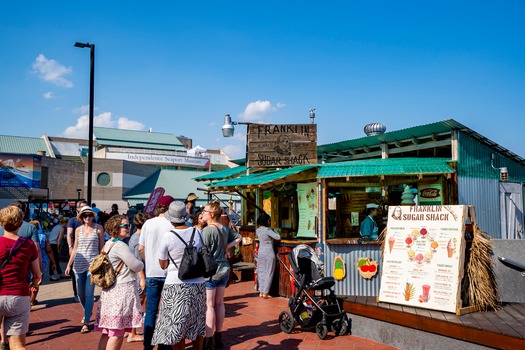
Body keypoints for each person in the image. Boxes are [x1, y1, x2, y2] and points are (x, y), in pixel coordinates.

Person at [151, 201, 206, 349]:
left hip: (175, 284)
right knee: (197, 322)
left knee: (176, 325)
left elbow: (162, 264)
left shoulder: (168, 237)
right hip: (198, 283)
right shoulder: (197, 232)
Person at [95, 214, 143, 350]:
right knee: (117, 331)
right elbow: (136, 265)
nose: (129, 228)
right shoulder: (121, 245)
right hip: (122, 290)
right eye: (125, 226)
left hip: (110, 291)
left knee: (108, 331)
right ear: (116, 227)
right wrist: (142, 263)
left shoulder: (109, 243)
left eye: (129, 225)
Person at [0, 205, 41, 350]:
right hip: (19, 295)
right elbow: (37, 275)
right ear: (20, 223)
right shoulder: (28, 245)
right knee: (18, 344)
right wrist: (34, 285)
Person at [201, 201, 241, 349]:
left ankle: (209, 338)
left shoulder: (207, 231)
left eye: (205, 211)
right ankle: (219, 336)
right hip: (224, 268)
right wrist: (227, 246)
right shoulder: (224, 228)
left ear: (211, 214)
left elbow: (202, 250)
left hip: (211, 270)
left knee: (209, 305)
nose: (202, 213)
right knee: (219, 303)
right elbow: (239, 237)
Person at [138, 195, 175, 350]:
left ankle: (148, 343)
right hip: (169, 272)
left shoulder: (148, 223)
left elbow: (140, 248)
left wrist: (150, 260)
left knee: (151, 310)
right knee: (167, 310)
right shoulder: (173, 224)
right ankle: (164, 344)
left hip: (152, 272)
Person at [65, 206, 105, 334]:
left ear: (93, 216)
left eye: (90, 215)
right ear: (81, 217)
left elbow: (101, 248)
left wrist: (102, 263)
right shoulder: (78, 230)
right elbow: (75, 248)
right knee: (80, 294)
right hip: (78, 265)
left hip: (92, 266)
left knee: (89, 294)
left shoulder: (98, 228)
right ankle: (87, 310)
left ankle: (86, 321)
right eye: (85, 215)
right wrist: (68, 265)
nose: (88, 217)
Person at [126, 211, 150, 343]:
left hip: (138, 275)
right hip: (138, 276)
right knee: (138, 304)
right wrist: (142, 278)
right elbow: (137, 261)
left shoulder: (136, 237)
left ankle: (131, 330)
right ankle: (132, 333)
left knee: (139, 303)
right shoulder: (137, 239)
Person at [29, 220, 56, 306]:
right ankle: (33, 299)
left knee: (28, 281)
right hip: (42, 262)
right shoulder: (43, 237)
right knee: (36, 281)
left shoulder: (26, 236)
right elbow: (49, 251)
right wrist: (53, 262)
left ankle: (28, 298)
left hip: (29, 260)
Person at [67, 200, 88, 302]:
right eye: (83, 207)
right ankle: (77, 293)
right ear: (78, 208)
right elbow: (69, 234)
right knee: (76, 273)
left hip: (88, 251)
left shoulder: (91, 220)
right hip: (77, 250)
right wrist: (70, 246)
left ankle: (87, 293)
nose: (85, 209)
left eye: (86, 206)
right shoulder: (73, 220)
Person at [255, 213, 280, 299]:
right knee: (269, 272)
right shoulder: (267, 230)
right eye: (269, 220)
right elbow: (277, 237)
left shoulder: (258, 230)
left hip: (261, 252)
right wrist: (275, 231)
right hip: (269, 252)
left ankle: (261, 291)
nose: (269, 222)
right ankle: (266, 292)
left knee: (261, 271)